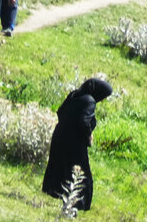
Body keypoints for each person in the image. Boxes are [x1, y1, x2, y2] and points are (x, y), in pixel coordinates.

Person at [42, 79, 113, 212]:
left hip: (59, 136)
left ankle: (58, 195)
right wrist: (88, 136)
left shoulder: (74, 95)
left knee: (61, 168)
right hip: (74, 142)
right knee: (81, 175)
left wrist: (67, 126)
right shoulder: (89, 101)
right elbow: (84, 122)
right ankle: (74, 206)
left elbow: (60, 111)